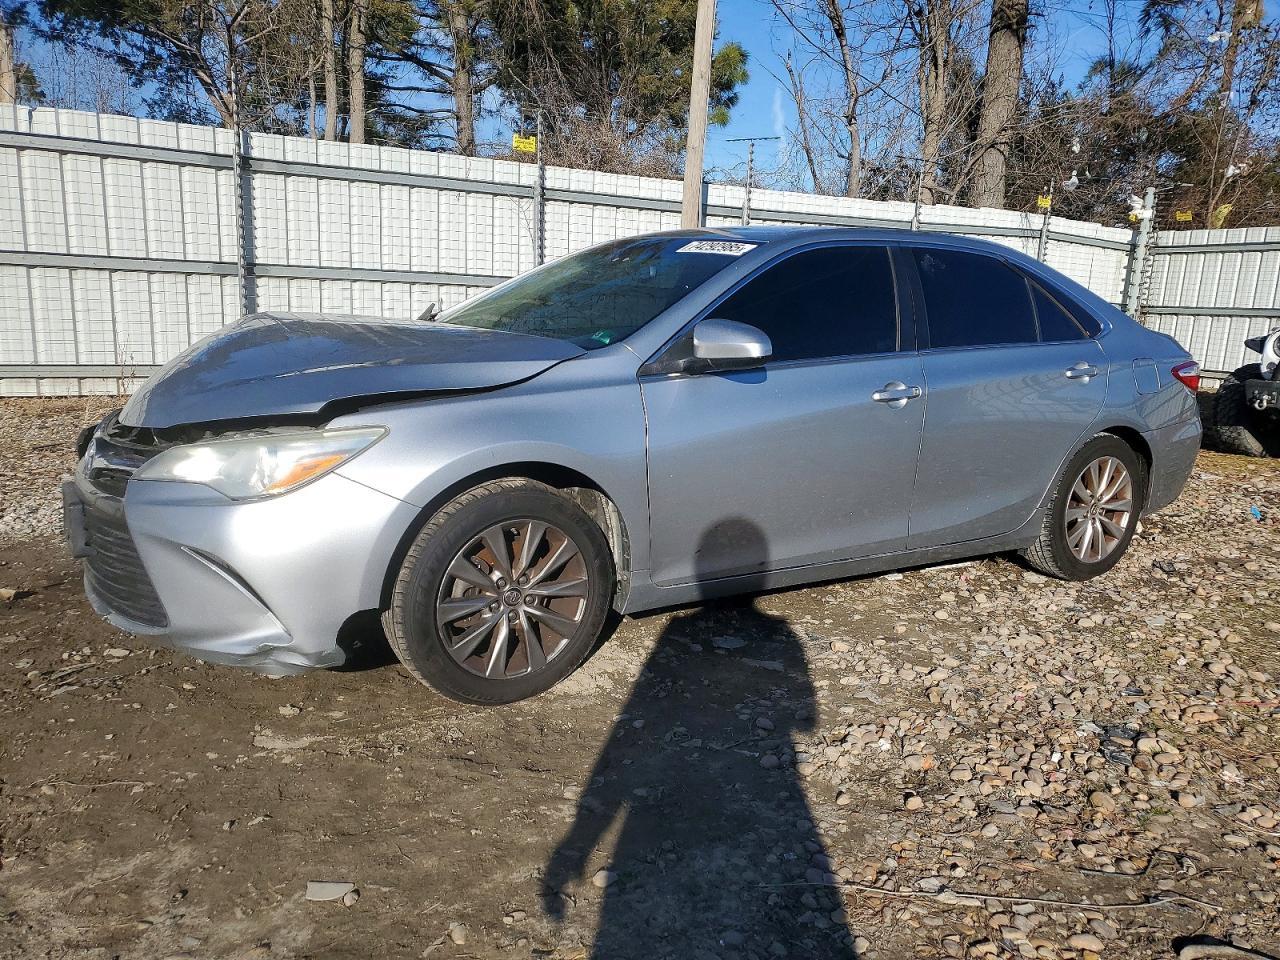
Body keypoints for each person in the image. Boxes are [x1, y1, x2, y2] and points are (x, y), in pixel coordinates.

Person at [543, 517, 858, 959]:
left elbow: (629, 721)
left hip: (650, 814)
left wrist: (580, 839)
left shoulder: (676, 631)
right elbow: (806, 719)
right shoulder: (782, 635)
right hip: (773, 794)